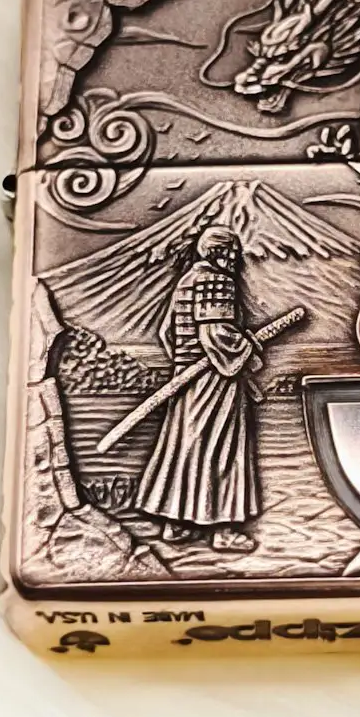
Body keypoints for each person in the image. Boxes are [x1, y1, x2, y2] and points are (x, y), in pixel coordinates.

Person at [135, 226, 262, 552]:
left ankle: (176, 524)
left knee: (187, 446)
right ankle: (223, 529)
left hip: (187, 377)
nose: (236, 258)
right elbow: (216, 333)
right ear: (218, 252)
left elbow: (167, 333)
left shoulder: (186, 281)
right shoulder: (217, 281)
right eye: (232, 251)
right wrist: (245, 350)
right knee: (222, 447)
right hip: (214, 380)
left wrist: (185, 362)